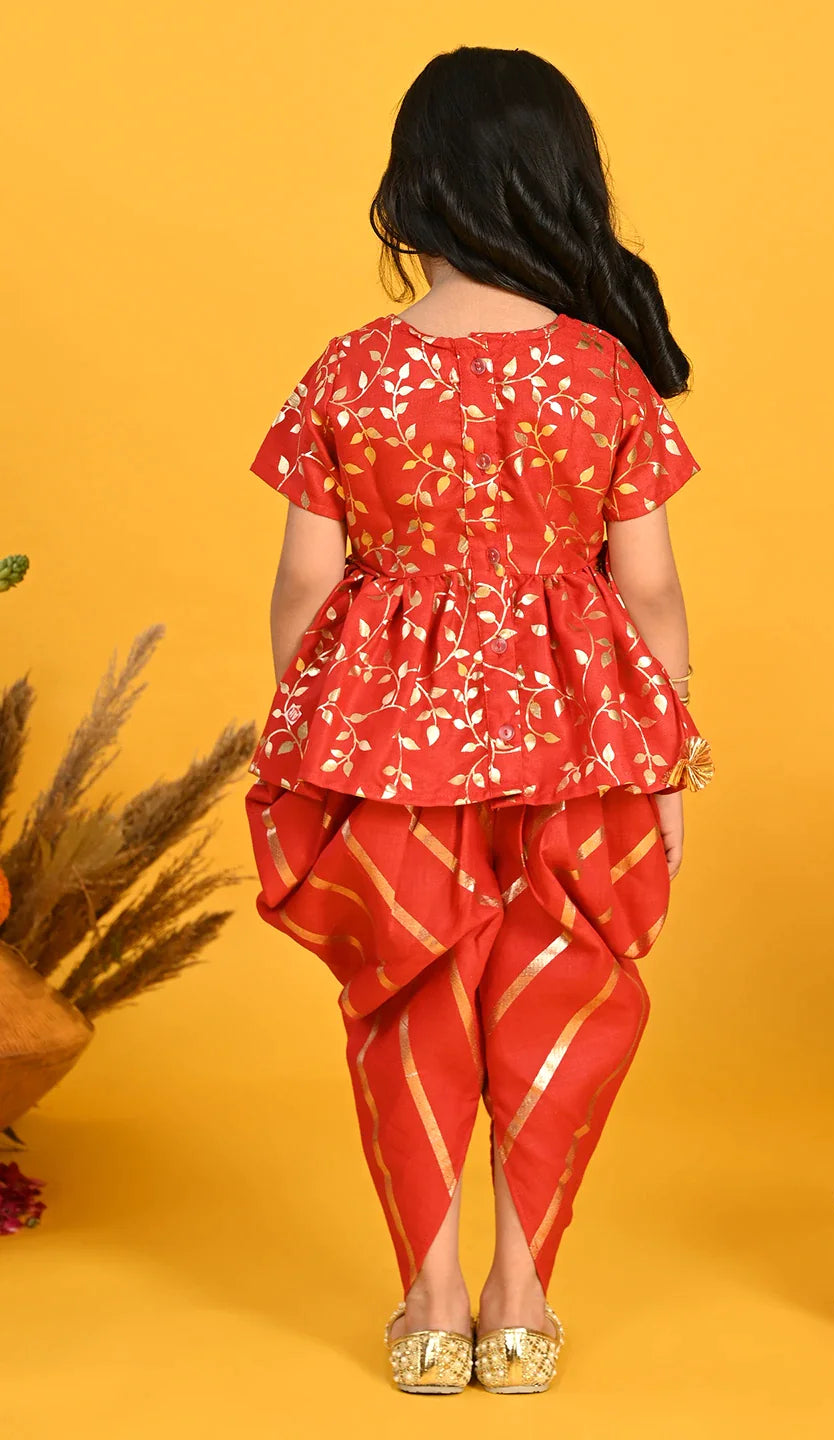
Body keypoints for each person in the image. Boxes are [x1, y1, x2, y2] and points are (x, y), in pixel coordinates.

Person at [243, 44, 713, 1396]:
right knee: (562, 991)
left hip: (386, 745)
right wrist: (670, 760)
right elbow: (651, 591)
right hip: (582, 741)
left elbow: (304, 583)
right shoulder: (603, 371)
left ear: (412, 192)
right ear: (560, 186)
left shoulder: (350, 371)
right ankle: (522, 1304)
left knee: (406, 997)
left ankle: (431, 1304)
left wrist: (308, 731)